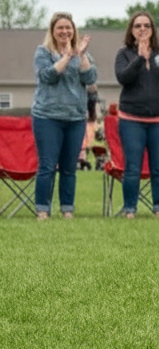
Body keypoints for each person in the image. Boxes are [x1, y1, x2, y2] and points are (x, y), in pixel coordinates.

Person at [115, 10, 159, 219]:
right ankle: (130, 209)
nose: (142, 29)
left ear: (152, 29)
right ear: (131, 30)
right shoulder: (124, 53)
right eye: (138, 26)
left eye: (147, 26)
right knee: (132, 167)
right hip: (132, 119)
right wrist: (139, 59)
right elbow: (124, 78)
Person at [31, 12, 96, 220]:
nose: (65, 32)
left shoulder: (82, 53)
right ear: (52, 31)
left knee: (69, 167)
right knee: (47, 166)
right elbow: (48, 76)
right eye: (60, 28)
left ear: (74, 30)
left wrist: (82, 55)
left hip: (75, 118)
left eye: (68, 28)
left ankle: (67, 209)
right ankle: (43, 209)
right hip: (47, 117)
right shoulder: (43, 52)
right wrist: (67, 57)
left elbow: (91, 78)